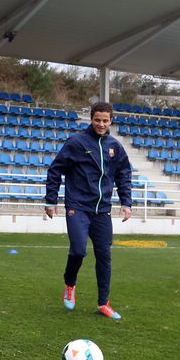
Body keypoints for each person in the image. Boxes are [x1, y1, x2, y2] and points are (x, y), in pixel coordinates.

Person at [44, 102, 133, 319]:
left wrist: (126, 203)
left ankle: (104, 303)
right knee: (78, 251)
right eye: (97, 120)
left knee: (104, 255)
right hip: (78, 206)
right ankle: (70, 284)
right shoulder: (76, 143)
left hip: (102, 210)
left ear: (111, 121)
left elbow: (124, 175)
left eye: (105, 120)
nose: (101, 124)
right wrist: (50, 200)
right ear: (91, 119)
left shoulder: (115, 146)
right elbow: (55, 170)